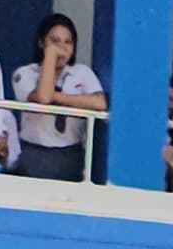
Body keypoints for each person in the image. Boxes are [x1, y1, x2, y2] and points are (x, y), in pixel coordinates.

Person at [10, 14, 109, 181]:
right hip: (35, 153)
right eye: (55, 41)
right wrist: (50, 55)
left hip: (70, 153)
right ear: (41, 43)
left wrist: (58, 97)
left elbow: (100, 103)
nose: (62, 48)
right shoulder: (25, 73)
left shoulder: (81, 72)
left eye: (68, 42)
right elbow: (43, 98)